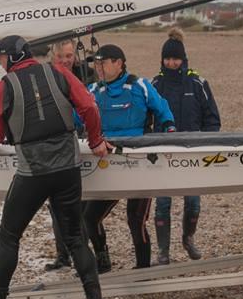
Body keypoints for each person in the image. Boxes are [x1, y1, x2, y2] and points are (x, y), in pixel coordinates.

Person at [0, 34, 110, 299]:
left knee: (9, 236)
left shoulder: (1, 88)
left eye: (1, 58)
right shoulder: (58, 72)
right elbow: (90, 107)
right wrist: (96, 141)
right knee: (76, 238)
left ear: (12, 56)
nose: (0, 63)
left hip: (33, 174)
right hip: (68, 170)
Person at [83, 43, 175, 271]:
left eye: (103, 62)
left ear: (119, 63)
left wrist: (171, 133)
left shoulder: (140, 86)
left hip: (139, 164)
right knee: (89, 218)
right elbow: (75, 118)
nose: (99, 68)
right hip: (108, 164)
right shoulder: (93, 90)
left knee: (136, 220)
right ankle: (103, 261)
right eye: (96, 63)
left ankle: (142, 269)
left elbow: (164, 113)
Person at [152, 28, 221, 264]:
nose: (171, 63)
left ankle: (188, 239)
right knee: (163, 202)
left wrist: (206, 145)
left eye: (175, 58)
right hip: (163, 153)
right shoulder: (155, 85)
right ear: (162, 59)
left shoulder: (198, 83)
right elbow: (146, 121)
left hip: (192, 152)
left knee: (193, 201)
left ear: (183, 58)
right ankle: (163, 250)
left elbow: (213, 119)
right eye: (167, 59)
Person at [44, 38, 94, 271]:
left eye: (69, 56)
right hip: (56, 143)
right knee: (55, 204)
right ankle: (62, 255)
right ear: (52, 56)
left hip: (83, 142)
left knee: (80, 207)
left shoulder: (88, 74)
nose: (65, 61)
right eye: (60, 57)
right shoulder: (42, 76)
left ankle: (85, 257)